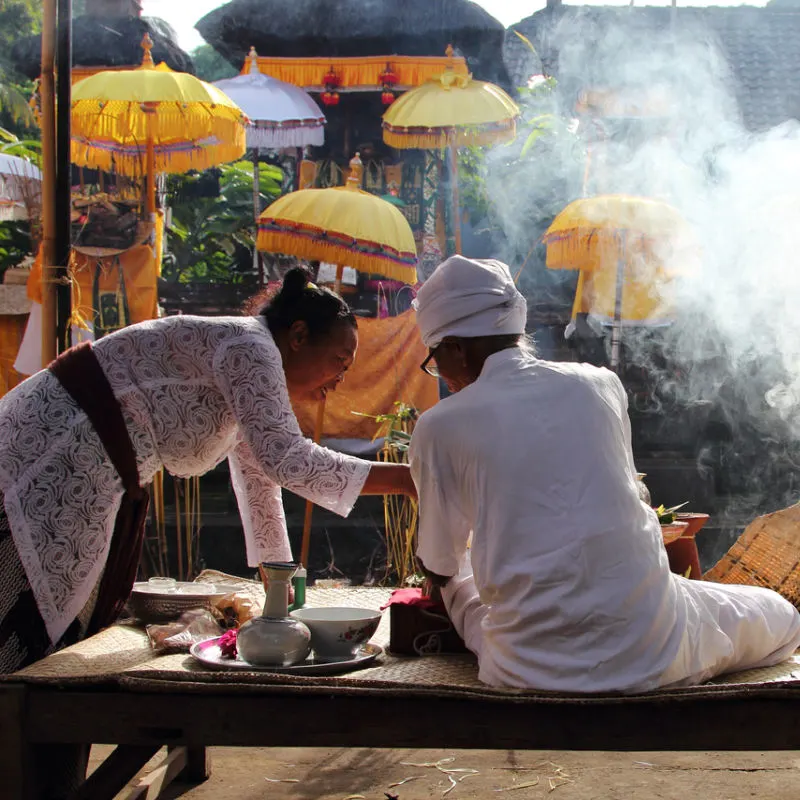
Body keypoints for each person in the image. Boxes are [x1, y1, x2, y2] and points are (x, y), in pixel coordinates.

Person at [409, 255, 800, 693]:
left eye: (435, 359)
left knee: (459, 581)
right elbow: (631, 493)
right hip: (653, 652)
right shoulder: (599, 384)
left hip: (524, 668)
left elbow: (439, 566)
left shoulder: (439, 425)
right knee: (783, 618)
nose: (439, 373)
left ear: (457, 348)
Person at [0, 267, 415, 676]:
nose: (340, 380)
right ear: (299, 336)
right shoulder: (251, 346)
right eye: (340, 361)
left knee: (59, 620)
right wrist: (403, 479)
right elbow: (287, 458)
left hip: (95, 464)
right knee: (32, 615)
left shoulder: (252, 360)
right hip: (59, 441)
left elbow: (259, 477)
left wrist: (277, 580)